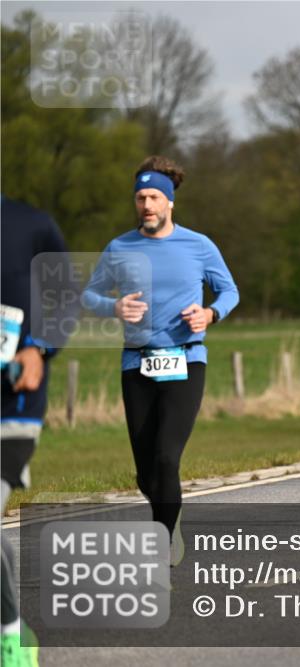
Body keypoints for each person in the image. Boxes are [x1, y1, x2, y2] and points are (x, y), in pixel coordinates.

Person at [82, 156, 239, 564]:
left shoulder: (198, 245)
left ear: (169, 201)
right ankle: (170, 509)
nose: (147, 205)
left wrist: (210, 314)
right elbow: (89, 295)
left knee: (167, 456)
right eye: (140, 198)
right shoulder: (120, 247)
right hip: (137, 363)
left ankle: (163, 540)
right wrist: (114, 308)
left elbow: (229, 291)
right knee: (146, 472)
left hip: (186, 360)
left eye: (154, 197)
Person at [2, 196, 75, 667]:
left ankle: (10, 638)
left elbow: (66, 296)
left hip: (13, 405)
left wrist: (40, 347)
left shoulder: (30, 224)